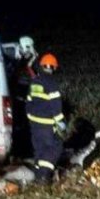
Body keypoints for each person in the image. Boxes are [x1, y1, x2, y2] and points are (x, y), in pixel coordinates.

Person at [26, 53, 66, 183]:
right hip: (47, 124)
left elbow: (29, 101)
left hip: (34, 124)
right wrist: (60, 123)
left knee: (39, 149)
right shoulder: (52, 84)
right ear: (54, 68)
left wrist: (30, 117)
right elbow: (56, 105)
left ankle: (38, 175)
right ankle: (44, 175)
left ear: (42, 66)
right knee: (54, 148)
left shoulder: (34, 82)